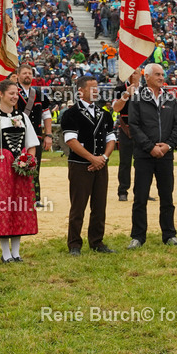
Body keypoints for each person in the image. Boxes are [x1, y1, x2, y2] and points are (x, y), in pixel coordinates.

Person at [0, 79, 39, 263]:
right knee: (3, 207)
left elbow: (32, 144)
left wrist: (28, 160)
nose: (14, 97)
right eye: (11, 93)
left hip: (20, 168)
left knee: (20, 205)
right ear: (1, 94)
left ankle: (17, 252)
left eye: (16, 93)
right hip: (1, 165)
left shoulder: (23, 117)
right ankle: (5, 253)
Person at [128, 63, 177, 248]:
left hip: (165, 156)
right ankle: (138, 237)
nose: (162, 77)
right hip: (144, 155)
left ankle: (169, 235)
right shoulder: (136, 98)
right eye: (158, 75)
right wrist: (150, 147)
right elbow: (134, 127)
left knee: (167, 196)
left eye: (162, 74)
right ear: (147, 77)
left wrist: (168, 145)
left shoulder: (170, 98)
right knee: (140, 197)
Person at [61, 74, 117, 255]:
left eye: (97, 88)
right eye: (92, 88)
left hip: (101, 165)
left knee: (99, 205)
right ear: (81, 91)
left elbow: (111, 139)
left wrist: (104, 158)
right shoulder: (71, 113)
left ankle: (97, 241)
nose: (96, 91)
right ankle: (74, 244)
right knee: (78, 206)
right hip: (80, 165)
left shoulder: (104, 114)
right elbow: (70, 140)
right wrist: (93, 158)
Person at [15, 64, 54, 208]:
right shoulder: (12, 92)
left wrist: (48, 135)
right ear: (18, 75)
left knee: (34, 167)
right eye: (24, 73)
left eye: (30, 73)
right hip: (17, 137)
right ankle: (17, 197)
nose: (27, 76)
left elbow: (46, 114)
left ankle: (35, 197)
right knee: (15, 166)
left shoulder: (39, 94)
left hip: (36, 137)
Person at [111, 69, 141, 202]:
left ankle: (142, 190)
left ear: (141, 74)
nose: (133, 75)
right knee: (125, 162)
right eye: (130, 72)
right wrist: (126, 95)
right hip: (126, 128)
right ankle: (123, 190)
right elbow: (116, 108)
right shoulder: (119, 89)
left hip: (143, 130)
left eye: (136, 72)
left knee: (143, 162)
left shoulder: (147, 89)